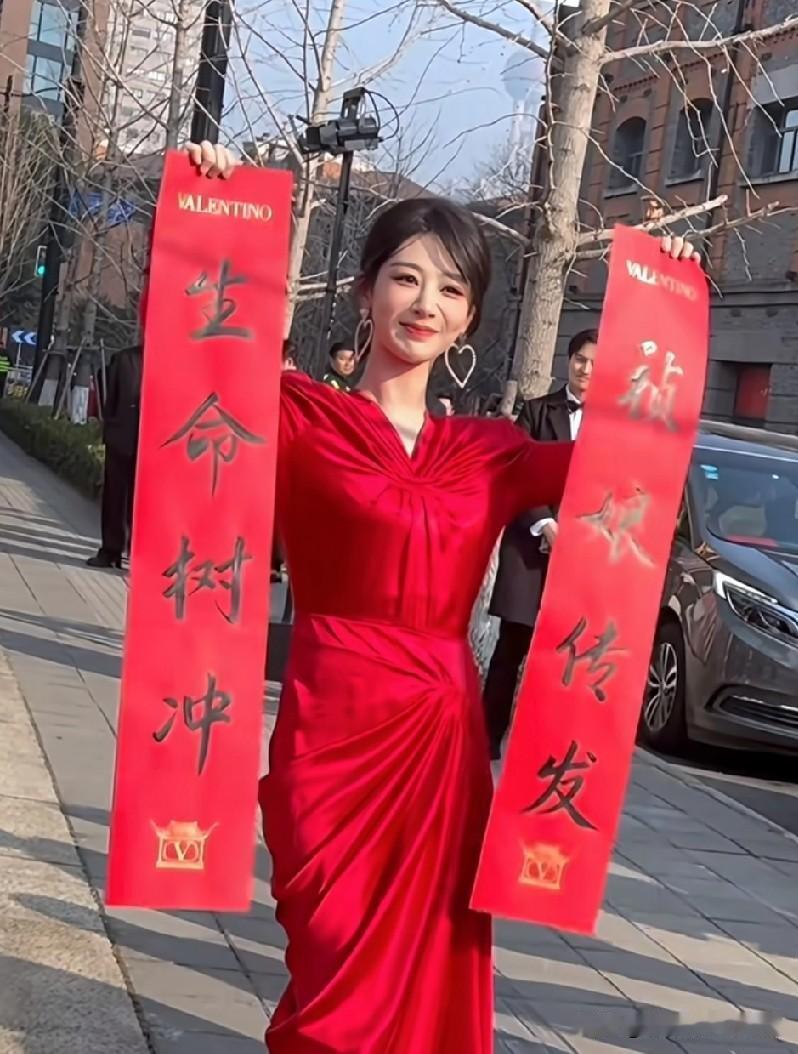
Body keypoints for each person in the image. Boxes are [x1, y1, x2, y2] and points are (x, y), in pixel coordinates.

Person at [184, 140, 699, 1054]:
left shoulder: (491, 453)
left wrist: (664, 302)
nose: (426, 303)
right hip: (330, 727)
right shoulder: (299, 416)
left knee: (427, 965)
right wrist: (209, 209)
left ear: (469, 319)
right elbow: (195, 363)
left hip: (439, 738)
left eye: (451, 289)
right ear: (364, 291)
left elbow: (631, 454)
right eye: (406, 278)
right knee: (332, 959)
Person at [482, 329, 598, 760]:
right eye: (581, 359)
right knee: (512, 646)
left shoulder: (613, 426)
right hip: (531, 549)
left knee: (562, 656)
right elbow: (515, 475)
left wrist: (580, 537)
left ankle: (541, 748)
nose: (586, 369)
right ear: (568, 360)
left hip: (583, 557)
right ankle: (486, 738)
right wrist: (547, 526)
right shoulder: (535, 412)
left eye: (596, 363)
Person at [87, 344, 142, 569]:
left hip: (153, 445)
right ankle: (111, 550)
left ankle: (140, 553)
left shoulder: (172, 361)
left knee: (144, 502)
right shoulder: (124, 359)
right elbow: (109, 398)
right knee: (114, 497)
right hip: (121, 438)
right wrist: (111, 428)